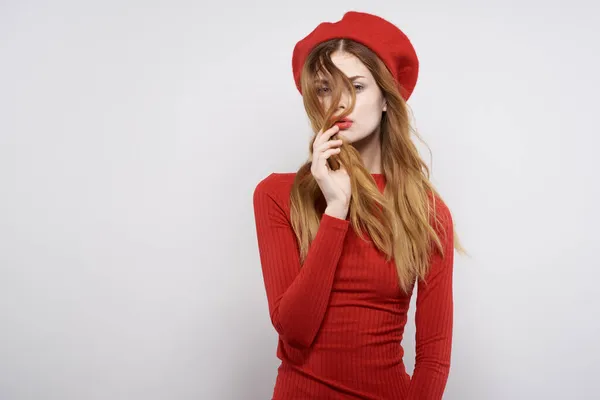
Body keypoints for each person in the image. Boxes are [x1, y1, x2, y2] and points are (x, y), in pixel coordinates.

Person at [252, 11, 464, 400]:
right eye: (324, 89)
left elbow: (434, 357)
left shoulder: (427, 211)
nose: (340, 103)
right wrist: (336, 210)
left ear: (387, 97)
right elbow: (295, 331)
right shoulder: (277, 195)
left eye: (357, 86)